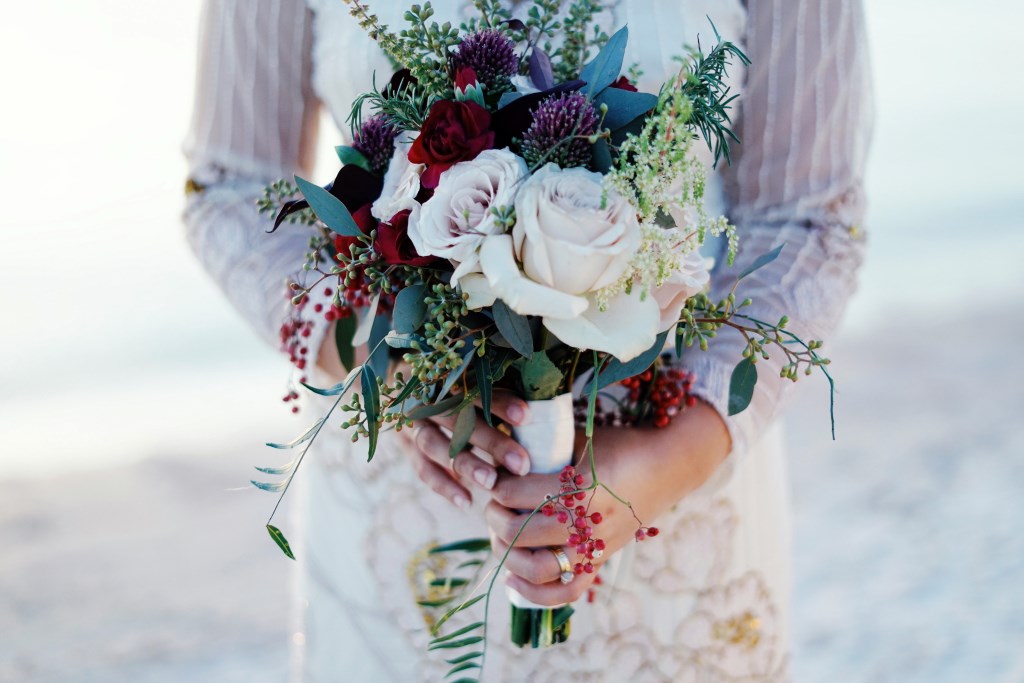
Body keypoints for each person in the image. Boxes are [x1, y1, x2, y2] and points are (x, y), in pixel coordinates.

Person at [184, 0, 872, 680]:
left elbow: (806, 222)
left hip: (678, 490)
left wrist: (668, 459)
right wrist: (392, 371)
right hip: (403, 506)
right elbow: (231, 188)